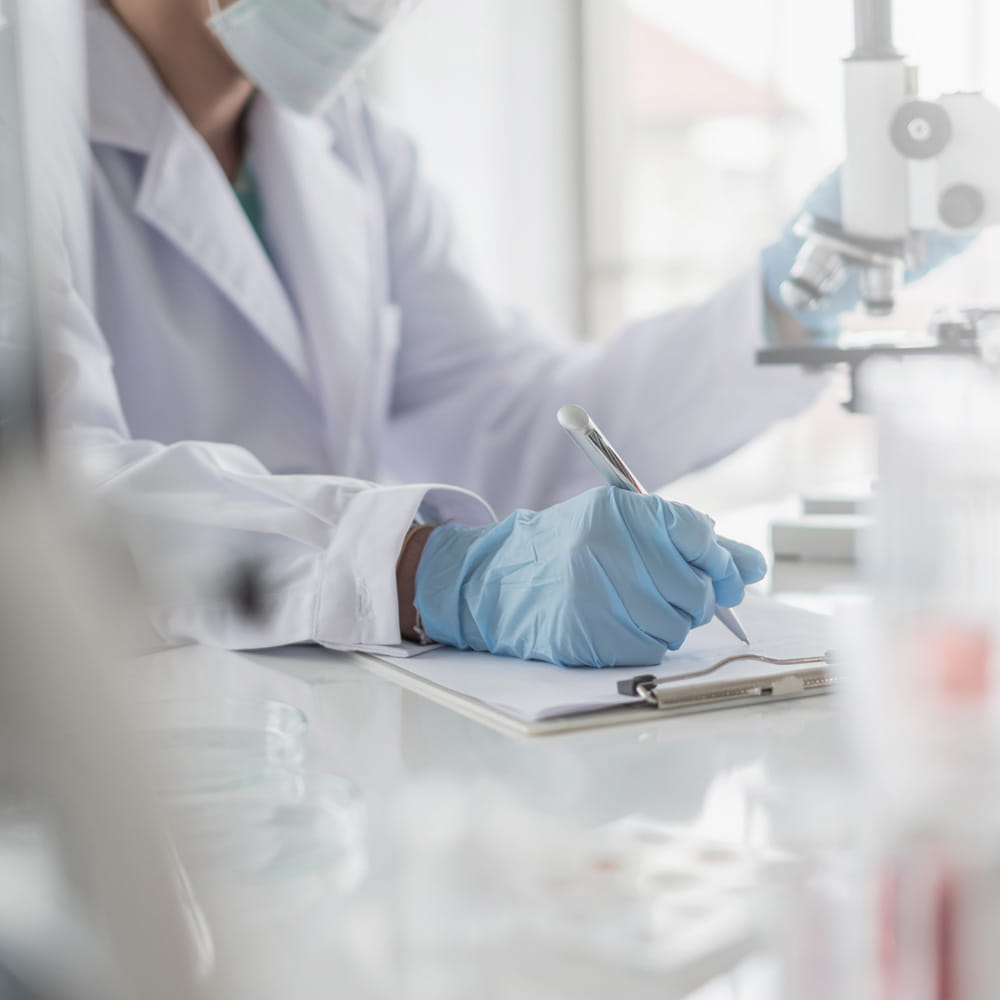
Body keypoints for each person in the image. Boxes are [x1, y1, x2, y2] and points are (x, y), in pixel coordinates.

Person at [46, 0, 965, 666]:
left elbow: (506, 414)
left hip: (324, 750)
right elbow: (51, 502)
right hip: (121, 768)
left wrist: (795, 298)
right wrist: (434, 571)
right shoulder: (24, 118)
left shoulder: (353, 142)